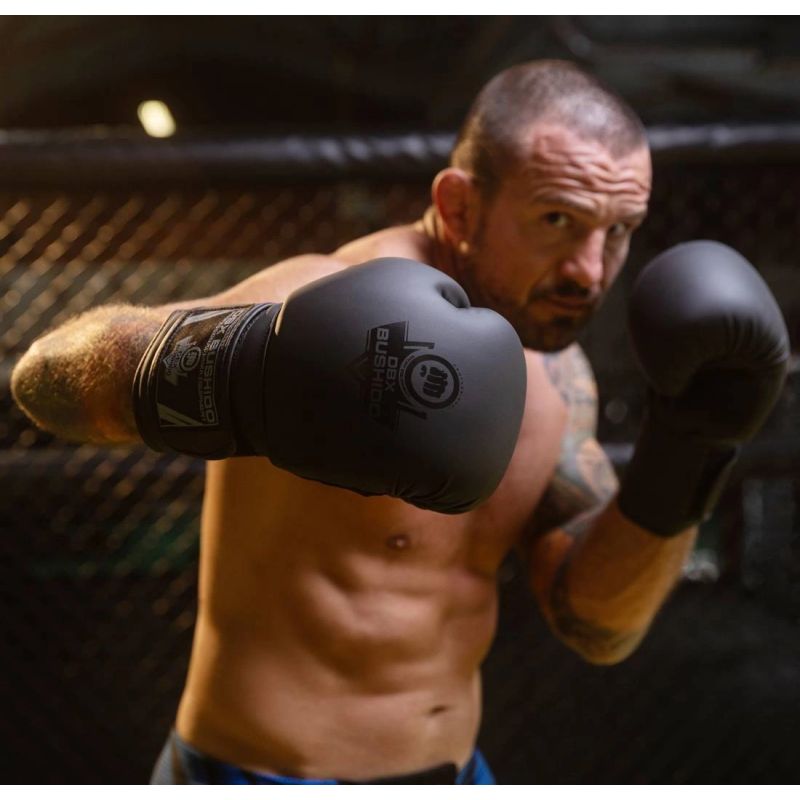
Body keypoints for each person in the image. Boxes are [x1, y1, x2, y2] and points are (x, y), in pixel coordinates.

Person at [10, 60, 788, 784]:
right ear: (458, 207)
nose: (590, 271)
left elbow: (597, 624)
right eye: (558, 219)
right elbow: (45, 379)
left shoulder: (560, 373)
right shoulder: (321, 299)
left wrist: (688, 454)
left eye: (618, 230)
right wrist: (253, 368)